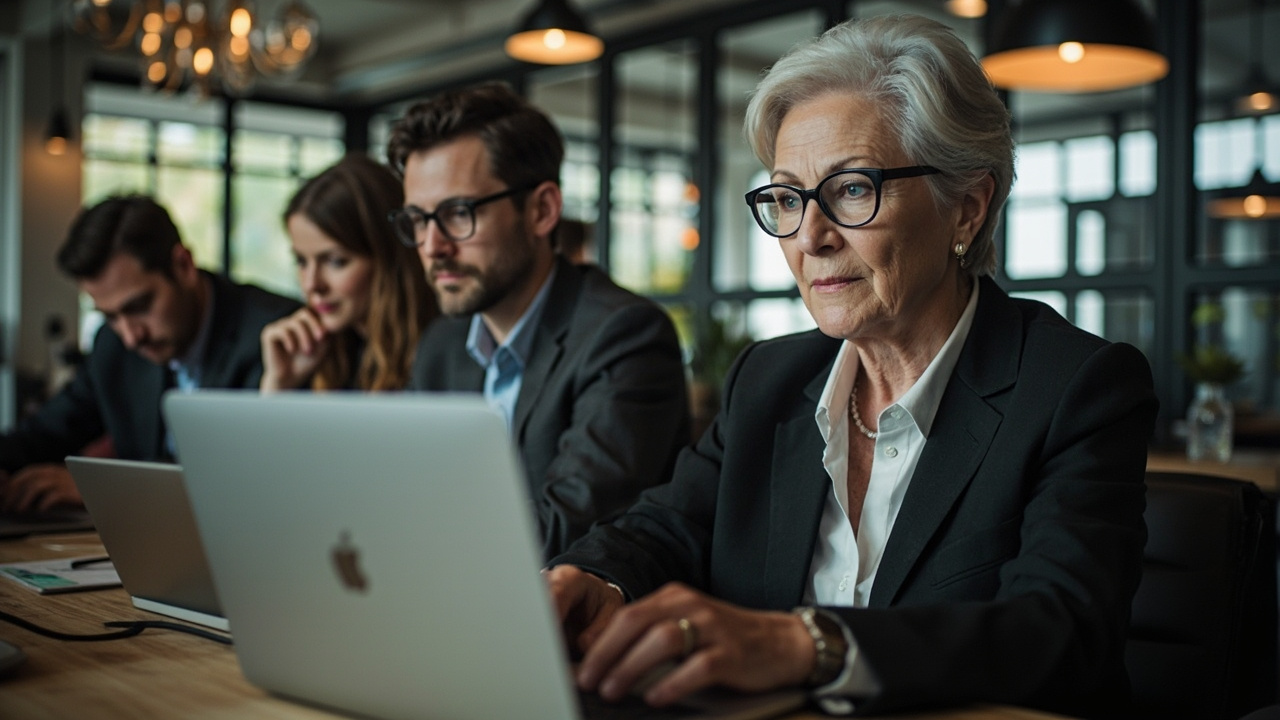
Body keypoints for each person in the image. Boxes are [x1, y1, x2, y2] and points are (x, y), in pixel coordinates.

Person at [546, 14, 1158, 719]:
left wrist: (811, 645)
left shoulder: (1076, 386)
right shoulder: (768, 382)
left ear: (966, 208)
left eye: (853, 189)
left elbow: (1061, 633)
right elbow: (666, 527)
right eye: (785, 197)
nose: (810, 235)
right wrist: (590, 577)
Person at [386, 82, 691, 560]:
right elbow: (397, 499)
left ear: (542, 210)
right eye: (419, 220)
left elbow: (565, 535)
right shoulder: (442, 345)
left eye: (458, 213)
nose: (432, 246)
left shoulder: (624, 335)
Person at [0, 196, 298, 513]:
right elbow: (47, 431)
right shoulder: (111, 346)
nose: (131, 336)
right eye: (110, 316)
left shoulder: (272, 338)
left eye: (139, 307)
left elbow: (240, 475)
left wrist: (105, 491)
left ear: (183, 265)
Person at [259, 154, 436, 392]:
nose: (312, 285)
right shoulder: (323, 356)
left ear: (388, 259)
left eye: (335, 262)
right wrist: (278, 385)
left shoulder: (439, 357)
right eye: (301, 261)